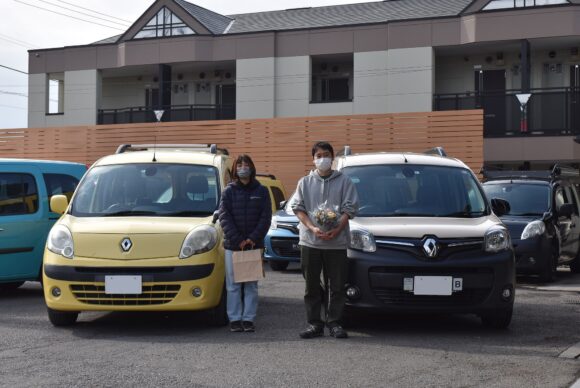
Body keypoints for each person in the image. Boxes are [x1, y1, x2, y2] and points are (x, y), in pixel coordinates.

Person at [292, 141, 358, 339]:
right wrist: (312, 227)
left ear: (332, 158)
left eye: (326, 155)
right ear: (313, 159)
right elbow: (298, 208)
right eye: (319, 155)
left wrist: (337, 228)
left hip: (336, 242)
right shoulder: (305, 182)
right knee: (311, 285)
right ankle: (314, 323)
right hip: (310, 242)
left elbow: (350, 208)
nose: (323, 159)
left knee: (337, 285)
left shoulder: (344, 181)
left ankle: (335, 322)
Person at [218, 154, 272, 333]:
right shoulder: (228, 191)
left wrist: (252, 239)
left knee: (251, 285)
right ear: (235, 169)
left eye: (246, 164)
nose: (243, 167)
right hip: (233, 246)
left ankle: (248, 319)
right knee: (233, 285)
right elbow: (224, 218)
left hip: (253, 245)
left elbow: (265, 218)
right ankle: (234, 319)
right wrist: (238, 239)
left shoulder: (261, 191)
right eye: (239, 165)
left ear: (252, 167)